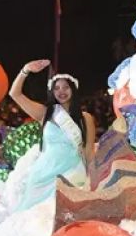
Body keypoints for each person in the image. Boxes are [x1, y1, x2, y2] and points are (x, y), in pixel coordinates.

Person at [9, 59, 96, 212]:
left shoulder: (85, 118)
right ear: (52, 92)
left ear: (73, 89)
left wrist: (92, 179)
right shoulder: (45, 113)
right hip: (42, 175)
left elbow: (89, 151)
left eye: (65, 87)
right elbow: (14, 94)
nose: (61, 91)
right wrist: (25, 69)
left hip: (72, 174)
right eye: (56, 88)